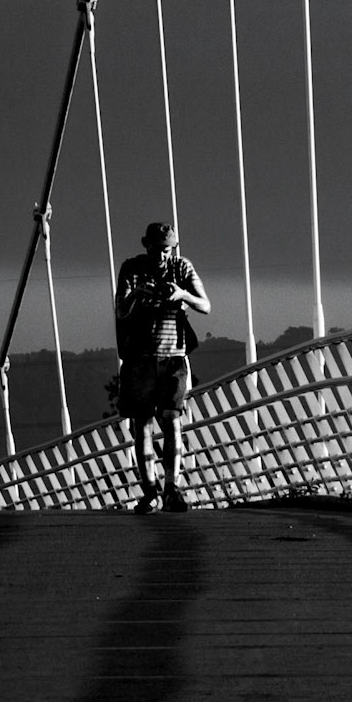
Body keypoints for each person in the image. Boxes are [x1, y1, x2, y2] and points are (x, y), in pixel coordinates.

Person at [115, 220, 211, 513]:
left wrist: (181, 295)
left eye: (167, 250)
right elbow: (121, 310)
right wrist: (137, 293)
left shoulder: (182, 268)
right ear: (146, 246)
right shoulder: (132, 269)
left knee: (172, 421)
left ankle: (171, 488)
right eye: (157, 249)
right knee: (142, 426)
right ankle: (150, 491)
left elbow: (205, 305)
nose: (162, 255)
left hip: (174, 357)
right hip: (140, 359)